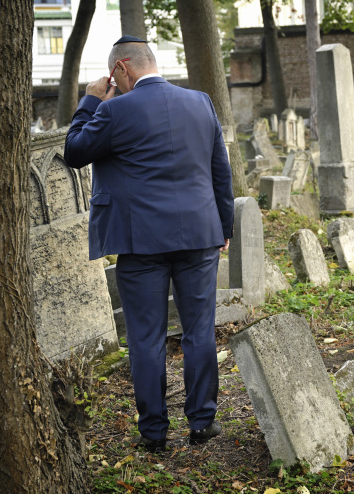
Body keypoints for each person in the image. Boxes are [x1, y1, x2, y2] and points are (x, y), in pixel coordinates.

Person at [64, 35, 235, 453]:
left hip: (140, 241)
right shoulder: (201, 102)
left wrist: (90, 101)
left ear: (121, 68)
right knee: (199, 331)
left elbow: (74, 151)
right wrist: (224, 227)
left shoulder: (113, 110)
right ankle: (202, 422)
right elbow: (220, 169)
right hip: (199, 235)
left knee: (146, 338)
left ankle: (154, 433)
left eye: (114, 77)